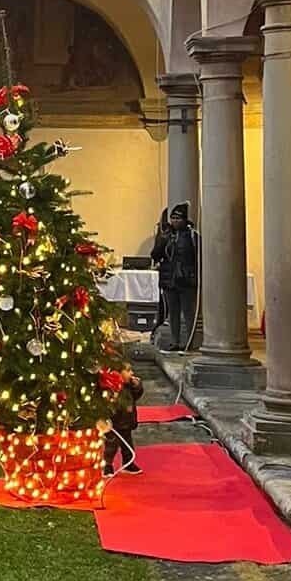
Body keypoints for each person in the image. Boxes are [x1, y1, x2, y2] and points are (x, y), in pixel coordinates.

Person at [151, 202, 198, 351]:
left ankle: (190, 341)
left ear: (185, 220)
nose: (175, 221)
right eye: (173, 218)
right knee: (173, 312)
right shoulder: (166, 235)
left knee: (189, 312)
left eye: (178, 218)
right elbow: (155, 255)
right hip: (169, 278)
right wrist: (162, 240)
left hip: (186, 279)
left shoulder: (192, 236)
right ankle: (175, 341)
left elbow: (198, 257)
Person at [101, 366, 145, 476]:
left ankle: (128, 464)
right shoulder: (112, 388)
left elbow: (136, 395)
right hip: (115, 424)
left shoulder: (129, 386)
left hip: (127, 423)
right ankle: (107, 466)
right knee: (111, 447)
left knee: (128, 447)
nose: (132, 373)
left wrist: (137, 386)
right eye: (128, 371)